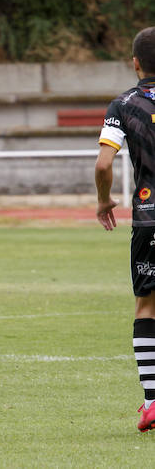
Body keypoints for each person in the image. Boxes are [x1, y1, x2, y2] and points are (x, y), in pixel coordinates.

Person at [94, 26, 155, 432]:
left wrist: (104, 200)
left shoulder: (123, 104)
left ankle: (153, 402)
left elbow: (103, 164)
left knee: (147, 306)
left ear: (135, 63)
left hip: (150, 219)